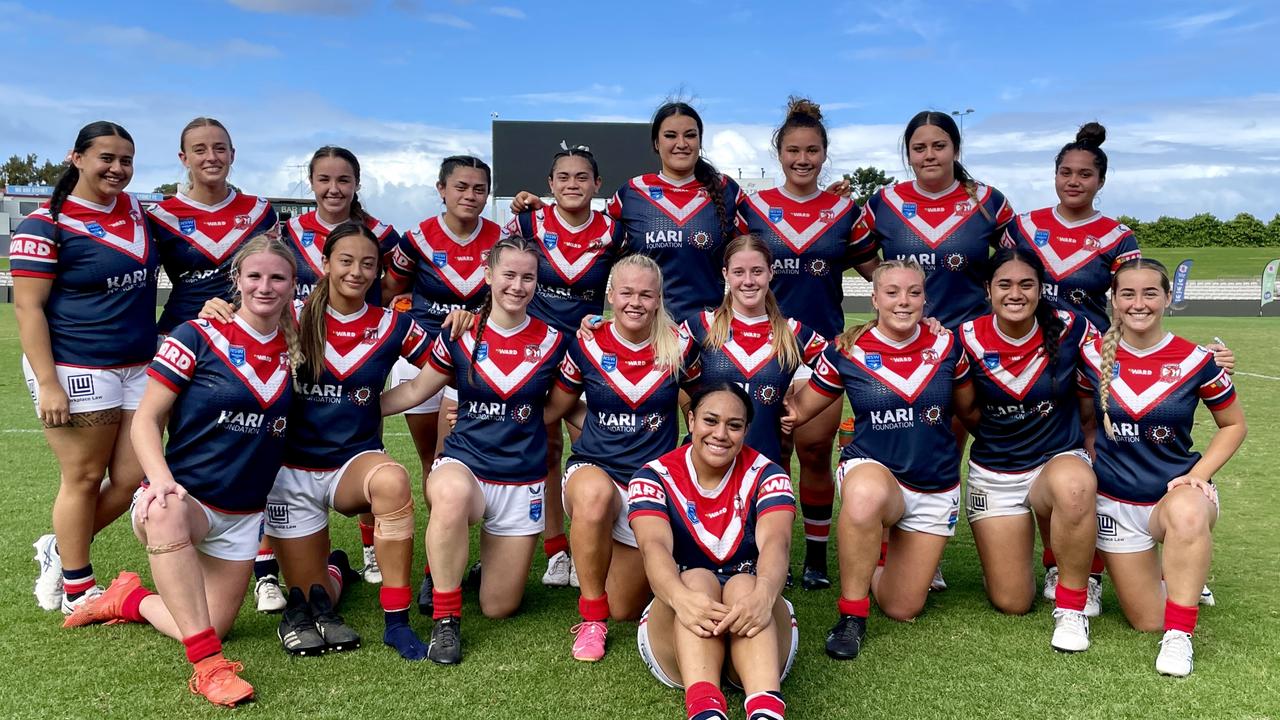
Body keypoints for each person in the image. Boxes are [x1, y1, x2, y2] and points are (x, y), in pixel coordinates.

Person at [62, 236, 298, 707]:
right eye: (254, 276)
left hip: (242, 514)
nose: (265, 286)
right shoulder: (197, 334)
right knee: (164, 511)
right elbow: (146, 420)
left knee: (213, 624)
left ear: (294, 285)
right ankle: (209, 669)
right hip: (184, 500)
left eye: (277, 277)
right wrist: (161, 479)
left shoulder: (301, 347)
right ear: (236, 280)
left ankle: (130, 597)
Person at [239, 222, 433, 660]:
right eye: (345, 261)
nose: (357, 272)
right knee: (313, 598)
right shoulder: (289, 313)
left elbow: (441, 365)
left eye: (368, 264)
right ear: (324, 263)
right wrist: (217, 309)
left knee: (392, 481)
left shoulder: (391, 324)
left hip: (352, 465)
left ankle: (397, 622)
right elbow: (233, 341)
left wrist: (378, 405)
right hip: (290, 472)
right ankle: (336, 570)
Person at [381, 235, 568, 665]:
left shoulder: (555, 341)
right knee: (448, 494)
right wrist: (358, 407)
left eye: (527, 277)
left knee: (499, 607)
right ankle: (446, 620)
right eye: (508, 275)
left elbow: (564, 405)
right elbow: (414, 389)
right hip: (465, 465)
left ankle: (479, 562)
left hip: (521, 478)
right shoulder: (461, 335)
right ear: (488, 276)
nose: (517, 286)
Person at [783, 260, 973, 660]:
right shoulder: (846, 350)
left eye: (913, 292)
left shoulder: (949, 346)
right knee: (865, 495)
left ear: (925, 298)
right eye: (892, 292)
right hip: (874, 470)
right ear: (874, 298)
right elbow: (798, 412)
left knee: (903, 607)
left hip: (935, 483)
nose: (903, 302)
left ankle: (880, 557)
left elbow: (974, 413)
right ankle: (852, 615)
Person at [13, 121, 158, 615]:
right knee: (83, 474)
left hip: (140, 365)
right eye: (106, 158)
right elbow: (28, 308)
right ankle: (78, 586)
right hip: (77, 365)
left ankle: (58, 545)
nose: (118, 169)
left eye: (126, 160)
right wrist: (49, 382)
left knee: (133, 475)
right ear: (76, 158)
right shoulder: (43, 224)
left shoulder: (140, 211)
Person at [1079, 258, 1246, 676]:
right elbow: (1082, 418)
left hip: (1172, 497)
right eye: (1128, 294)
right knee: (1147, 618)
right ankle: (1183, 574)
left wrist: (1198, 475)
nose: (1139, 303)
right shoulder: (1089, 354)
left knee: (1188, 514)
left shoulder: (1197, 360)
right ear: (1113, 300)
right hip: (1116, 504)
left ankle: (1179, 639)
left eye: (1150, 293)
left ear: (1168, 298)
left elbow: (1234, 425)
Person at [738, 98, 880, 588]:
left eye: (813, 150)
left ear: (825, 154)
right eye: (794, 150)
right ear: (779, 153)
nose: (803, 159)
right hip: (760, 346)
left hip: (820, 350)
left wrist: (913, 305)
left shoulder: (846, 210)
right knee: (766, 455)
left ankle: (816, 558)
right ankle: (762, 550)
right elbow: (732, 269)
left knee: (816, 452)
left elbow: (874, 272)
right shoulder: (750, 207)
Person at [543, 254, 698, 661]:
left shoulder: (679, 346)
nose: (635, 302)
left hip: (650, 482)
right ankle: (591, 619)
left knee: (626, 609)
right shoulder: (588, 343)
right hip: (596, 469)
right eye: (626, 292)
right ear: (610, 294)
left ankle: (603, 557)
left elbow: (699, 407)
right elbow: (555, 408)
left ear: (659, 298)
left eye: (646, 294)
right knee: (593, 498)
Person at [953, 248, 1100, 651]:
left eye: (1026, 284)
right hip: (996, 472)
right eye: (1004, 284)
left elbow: (1126, 359)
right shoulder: (964, 338)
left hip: (1056, 461)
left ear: (1041, 289)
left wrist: (1204, 360)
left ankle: (1072, 604)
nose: (1015, 293)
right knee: (1012, 601)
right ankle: (1029, 560)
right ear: (988, 290)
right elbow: (965, 411)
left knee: (1074, 486)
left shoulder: (1072, 328)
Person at [631, 383, 797, 720]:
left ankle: (766, 709)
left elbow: (776, 543)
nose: (720, 434)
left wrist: (764, 595)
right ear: (690, 420)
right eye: (710, 420)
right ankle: (705, 710)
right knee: (696, 579)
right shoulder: (653, 476)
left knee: (744, 583)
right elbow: (654, 548)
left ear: (746, 431)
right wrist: (680, 597)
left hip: (753, 620)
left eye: (734, 425)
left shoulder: (768, 475)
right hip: (680, 623)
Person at [383, 155, 502, 612]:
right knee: (429, 467)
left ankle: (436, 576)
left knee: (444, 458)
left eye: (479, 189)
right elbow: (390, 290)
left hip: (472, 360)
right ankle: (444, 557)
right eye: (461, 187)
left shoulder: (501, 239)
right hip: (419, 359)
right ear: (441, 189)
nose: (470, 196)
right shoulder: (416, 238)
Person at [279, 145, 402, 586]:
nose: (334, 188)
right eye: (324, 179)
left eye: (343, 180)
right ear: (311, 183)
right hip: (308, 339)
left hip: (364, 346)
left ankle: (371, 547)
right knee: (283, 437)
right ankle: (270, 565)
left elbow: (398, 281)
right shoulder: (287, 231)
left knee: (367, 444)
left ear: (356, 184)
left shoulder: (381, 233)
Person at [512, 101, 743, 323]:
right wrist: (549, 213)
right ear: (656, 143)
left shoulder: (727, 191)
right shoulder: (632, 193)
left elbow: (753, 257)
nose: (681, 143)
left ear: (700, 140)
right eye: (670, 135)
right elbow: (585, 230)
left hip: (706, 330)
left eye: (690, 135)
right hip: (647, 331)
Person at [505, 146, 620, 589]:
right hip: (538, 353)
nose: (572, 184)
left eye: (582, 176)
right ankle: (557, 551)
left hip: (592, 354)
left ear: (597, 184)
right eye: (563, 177)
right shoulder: (528, 222)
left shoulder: (614, 230)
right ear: (549, 185)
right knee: (548, 449)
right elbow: (504, 273)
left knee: (593, 446)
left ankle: (597, 543)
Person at [853, 110, 1014, 329]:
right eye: (919, 148)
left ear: (955, 150)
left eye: (939, 146)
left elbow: (1016, 263)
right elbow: (860, 254)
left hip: (971, 339)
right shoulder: (883, 203)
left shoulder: (988, 201)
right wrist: (891, 288)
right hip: (907, 339)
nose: (929, 155)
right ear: (909, 155)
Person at [1002, 123, 1139, 332]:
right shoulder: (1023, 226)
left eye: (1085, 175)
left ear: (1101, 181)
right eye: (1065, 173)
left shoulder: (1119, 238)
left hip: (1089, 351)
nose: (1073, 181)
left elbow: (1128, 304)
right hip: (1027, 351)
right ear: (1055, 175)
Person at [149, 117, 279, 335]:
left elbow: (276, 274)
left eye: (219, 149)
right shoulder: (160, 216)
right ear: (184, 158)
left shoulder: (259, 211)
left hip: (247, 335)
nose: (211, 157)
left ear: (232, 154)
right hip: (181, 335)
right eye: (200, 150)